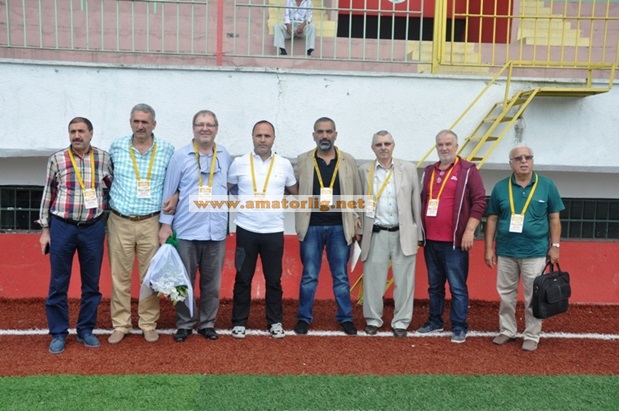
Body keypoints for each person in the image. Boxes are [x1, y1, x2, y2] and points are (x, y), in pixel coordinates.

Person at [39, 117, 113, 354]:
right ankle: (59, 332)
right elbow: (48, 193)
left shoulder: (103, 158)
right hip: (63, 226)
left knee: (91, 283)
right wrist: (45, 230)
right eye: (73, 131)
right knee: (58, 282)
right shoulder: (57, 159)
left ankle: (85, 330)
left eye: (81, 131)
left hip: (93, 227)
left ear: (91, 133)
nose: (76, 135)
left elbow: (113, 188)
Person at [159, 109, 232, 342]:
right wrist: (165, 225)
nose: (205, 128)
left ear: (216, 128)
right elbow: (169, 191)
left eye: (210, 124)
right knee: (183, 281)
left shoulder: (225, 155)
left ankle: (207, 323)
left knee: (212, 284)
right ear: (193, 128)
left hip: (215, 231)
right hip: (187, 230)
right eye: (200, 124)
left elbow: (231, 186)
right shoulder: (180, 156)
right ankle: (185, 323)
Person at [484, 146, 564, 352]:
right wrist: (489, 248)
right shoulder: (500, 187)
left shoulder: (547, 185)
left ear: (532, 160)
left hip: (535, 252)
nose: (523, 161)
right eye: (518, 158)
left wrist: (555, 247)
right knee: (506, 294)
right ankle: (507, 330)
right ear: (510, 163)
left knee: (533, 296)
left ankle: (531, 335)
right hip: (506, 251)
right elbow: (492, 219)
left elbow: (554, 219)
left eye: (527, 157)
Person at [107, 103, 175, 345]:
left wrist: (176, 197)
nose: (140, 126)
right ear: (130, 123)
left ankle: (148, 323)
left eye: (145, 122)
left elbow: (175, 182)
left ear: (154, 124)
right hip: (120, 220)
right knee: (119, 276)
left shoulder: (167, 150)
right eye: (136, 121)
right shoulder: (116, 147)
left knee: (150, 277)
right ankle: (121, 324)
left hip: (151, 222)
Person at [227, 120, 298, 339]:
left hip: (274, 231)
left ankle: (275, 322)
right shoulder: (239, 163)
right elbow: (226, 188)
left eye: (267, 136)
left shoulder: (284, 165)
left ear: (273, 138)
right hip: (246, 229)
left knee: (274, 279)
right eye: (259, 135)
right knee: (243, 278)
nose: (263, 140)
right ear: (253, 138)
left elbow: (295, 191)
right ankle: (239, 322)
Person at [416, 130, 487, 343]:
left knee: (457, 286)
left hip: (455, 242)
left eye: (448, 144)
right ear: (436, 147)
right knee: (434, 286)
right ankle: (435, 321)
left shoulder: (468, 170)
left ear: (456, 146)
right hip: (431, 241)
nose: (444, 148)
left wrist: (469, 231)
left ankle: (458, 326)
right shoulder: (429, 171)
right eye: (440, 144)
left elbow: (480, 202)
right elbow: (422, 201)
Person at [294, 117, 361, 335]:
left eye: (329, 131)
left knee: (341, 277)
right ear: (314, 135)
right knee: (309, 276)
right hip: (311, 226)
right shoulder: (303, 161)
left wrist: (357, 224)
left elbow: (357, 194)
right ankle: (304, 317)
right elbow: (293, 189)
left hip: (340, 227)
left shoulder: (348, 161)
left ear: (335, 135)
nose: (325, 136)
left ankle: (345, 317)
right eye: (320, 132)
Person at [358, 130, 422, 338]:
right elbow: (358, 203)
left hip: (402, 232)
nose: (383, 148)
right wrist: (358, 230)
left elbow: (415, 202)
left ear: (393, 145)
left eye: (387, 143)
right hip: (375, 233)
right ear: (372, 148)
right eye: (379, 144)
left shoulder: (408, 169)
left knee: (405, 281)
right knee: (373, 280)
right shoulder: (364, 170)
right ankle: (373, 319)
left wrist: (418, 232)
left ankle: (401, 322)